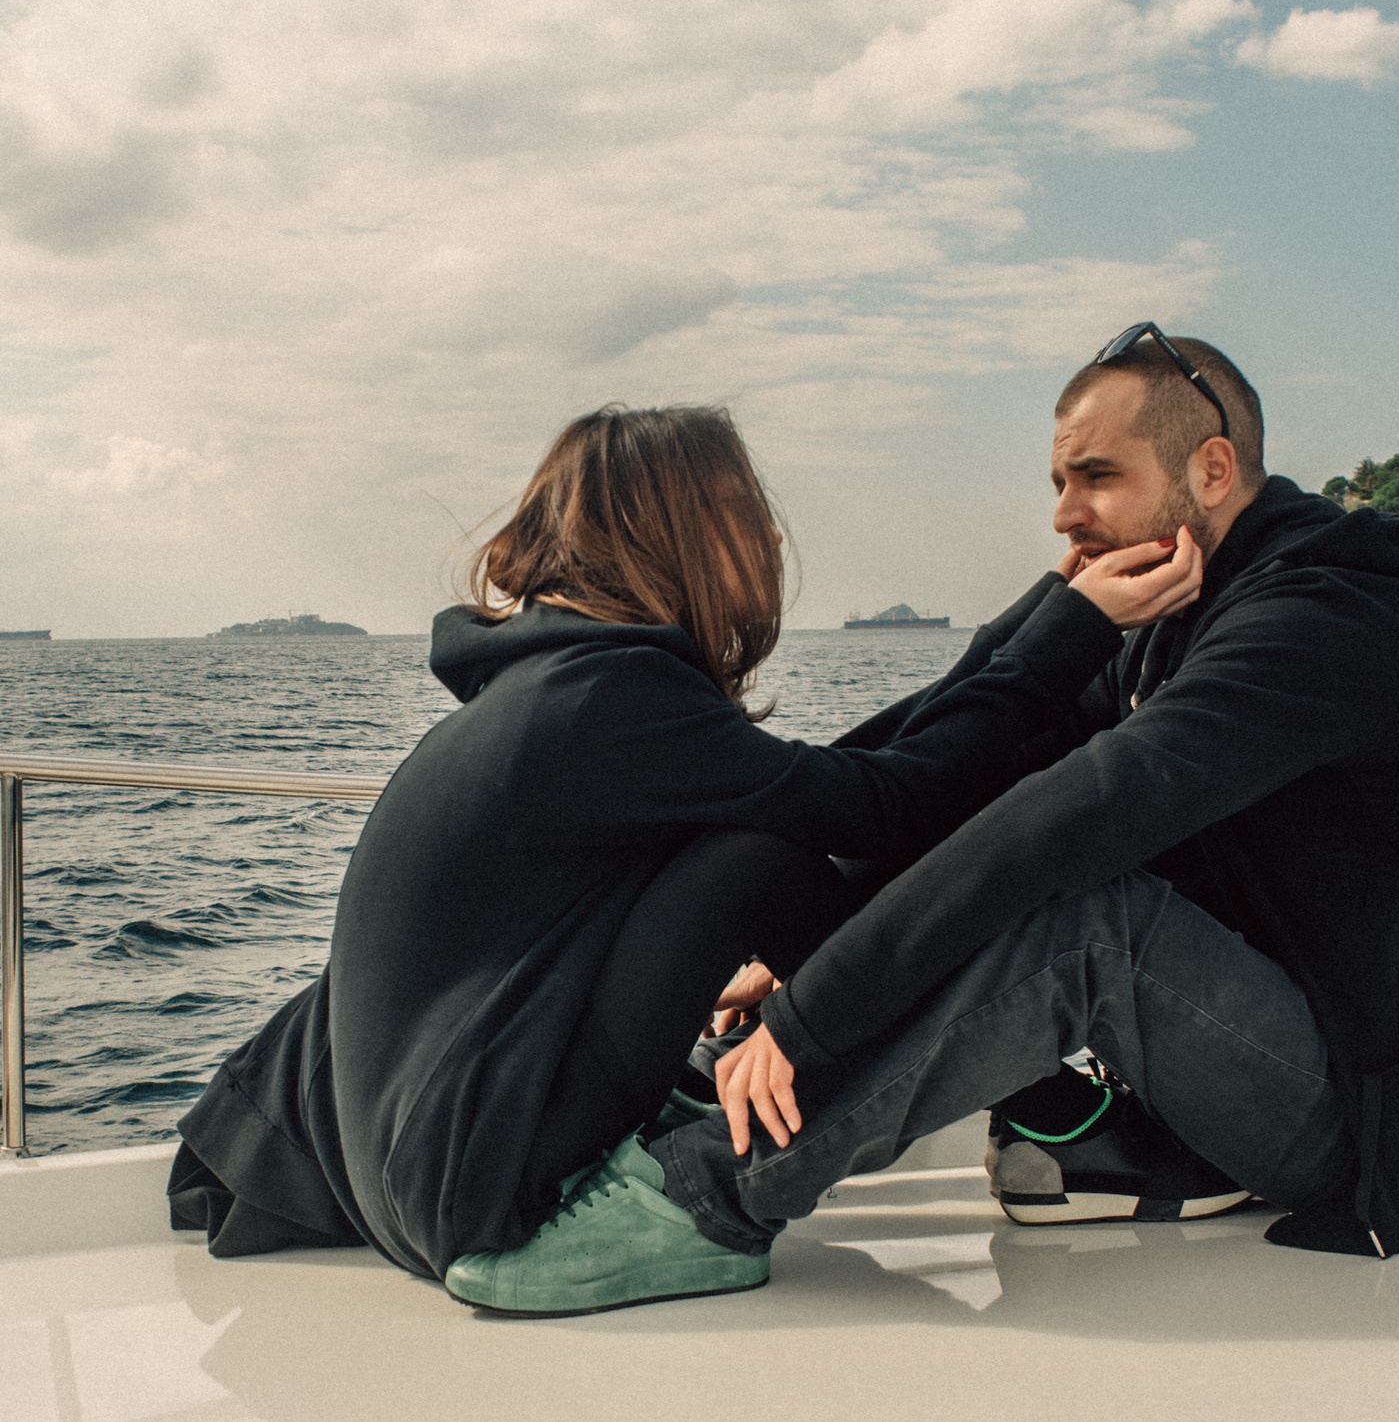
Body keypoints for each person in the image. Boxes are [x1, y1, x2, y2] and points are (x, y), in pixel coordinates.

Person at [442, 326, 1399, 1318]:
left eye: (1097, 476)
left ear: (1210, 468)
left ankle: (708, 1201)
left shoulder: (1316, 625)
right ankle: (689, 1115)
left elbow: (1066, 824)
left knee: (1086, 921)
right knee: (1010, 888)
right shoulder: (1177, 618)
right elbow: (962, 767)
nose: (1064, 513)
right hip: (1288, 1038)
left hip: (1397, 1115)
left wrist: (817, 1016)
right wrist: (802, 956)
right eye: (1060, 481)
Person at [166, 402, 1201, 1284]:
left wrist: (1046, 607)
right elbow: (886, 801)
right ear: (685, 530)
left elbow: (847, 769)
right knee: (757, 860)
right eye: (745, 515)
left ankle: (1027, 1100)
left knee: (773, 836)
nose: (769, 541)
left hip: (405, 1169)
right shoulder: (608, 697)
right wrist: (1072, 631)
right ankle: (1053, 1109)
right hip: (471, 1186)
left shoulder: (557, 681)